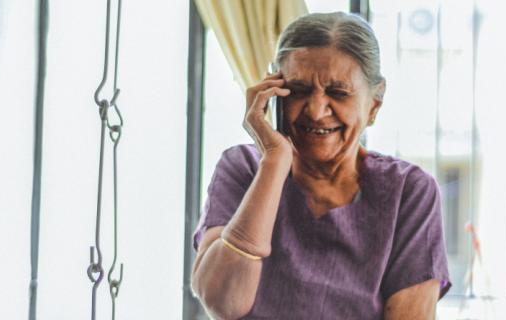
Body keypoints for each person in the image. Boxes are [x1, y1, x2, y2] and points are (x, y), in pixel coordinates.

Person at [191, 12, 451, 319]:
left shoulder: (408, 191)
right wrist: (274, 163)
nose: (315, 111)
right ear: (273, 93)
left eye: (338, 93)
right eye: (298, 91)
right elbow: (223, 302)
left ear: (374, 105)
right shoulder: (244, 168)